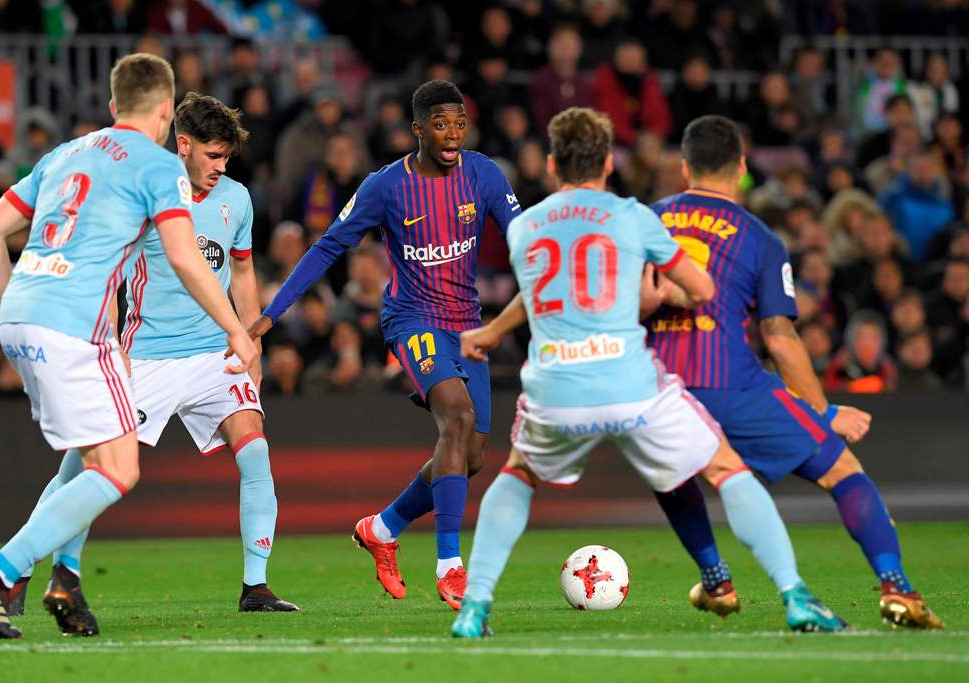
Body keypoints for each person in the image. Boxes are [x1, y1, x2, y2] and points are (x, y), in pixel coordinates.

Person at [452, 108, 847, 638]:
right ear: (609, 164)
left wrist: (492, 332)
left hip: (557, 387)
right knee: (727, 469)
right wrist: (666, 292)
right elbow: (702, 287)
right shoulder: (633, 217)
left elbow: (545, 290)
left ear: (551, 164)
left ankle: (475, 608)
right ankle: (796, 597)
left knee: (518, 475)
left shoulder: (525, 227)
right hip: (628, 382)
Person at [0, 54, 256, 640]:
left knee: (89, 460)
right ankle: (1, 573)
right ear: (169, 115)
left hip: (20, 316)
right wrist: (237, 328)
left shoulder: (65, 153)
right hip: (76, 327)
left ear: (115, 106)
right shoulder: (157, 166)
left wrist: (16, 305)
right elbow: (184, 256)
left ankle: (61, 579)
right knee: (118, 470)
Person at [6, 92, 298, 625]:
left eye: (226, 158)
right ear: (182, 144)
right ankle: (24, 568)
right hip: (148, 358)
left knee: (255, 452)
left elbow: (244, 273)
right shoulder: (145, 191)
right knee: (84, 470)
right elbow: (111, 276)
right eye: (213, 155)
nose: (221, 167)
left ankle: (255, 585)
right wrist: (113, 352)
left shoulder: (236, 199)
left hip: (214, 355)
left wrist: (249, 342)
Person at [643, 115, 943, 629]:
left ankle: (716, 579)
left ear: (684, 166)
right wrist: (822, 412)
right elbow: (779, 338)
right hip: (731, 381)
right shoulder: (758, 237)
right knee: (842, 470)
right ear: (741, 168)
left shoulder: (645, 222)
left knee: (673, 475)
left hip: (654, 384)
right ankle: (898, 590)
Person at [246, 80, 521, 609]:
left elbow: (524, 238)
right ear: (417, 130)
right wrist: (271, 314)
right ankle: (450, 567)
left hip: (467, 324)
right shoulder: (386, 187)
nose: (452, 135)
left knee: (471, 457)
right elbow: (328, 248)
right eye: (440, 125)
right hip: (412, 319)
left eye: (459, 124)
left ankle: (382, 527)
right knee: (457, 421)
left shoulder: (484, 173)